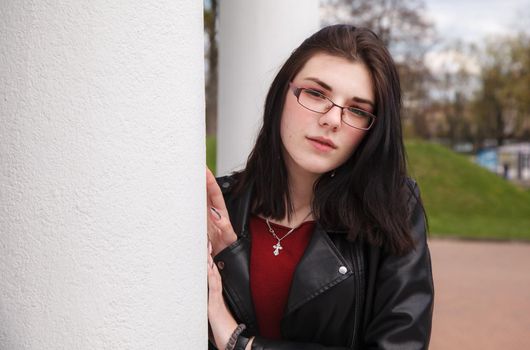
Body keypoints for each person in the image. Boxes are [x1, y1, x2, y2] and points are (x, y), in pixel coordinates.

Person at [206, 24, 434, 350]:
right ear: (281, 94)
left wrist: (240, 343)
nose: (333, 119)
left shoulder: (393, 211)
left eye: (357, 110)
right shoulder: (220, 208)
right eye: (316, 93)